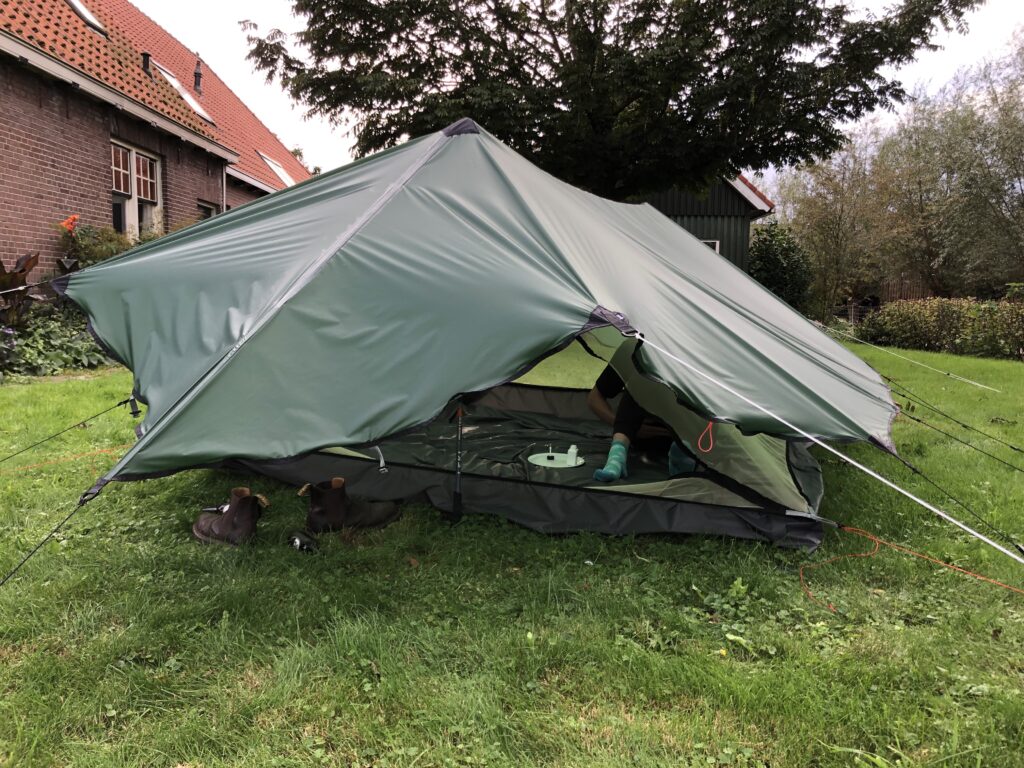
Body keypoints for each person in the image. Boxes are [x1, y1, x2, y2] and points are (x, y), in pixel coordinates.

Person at [587, 365, 674, 482]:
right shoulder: (637, 351)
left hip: (688, 440)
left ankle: (684, 455)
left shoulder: (695, 357)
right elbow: (594, 398)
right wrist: (629, 428)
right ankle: (616, 457)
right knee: (641, 377)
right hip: (640, 437)